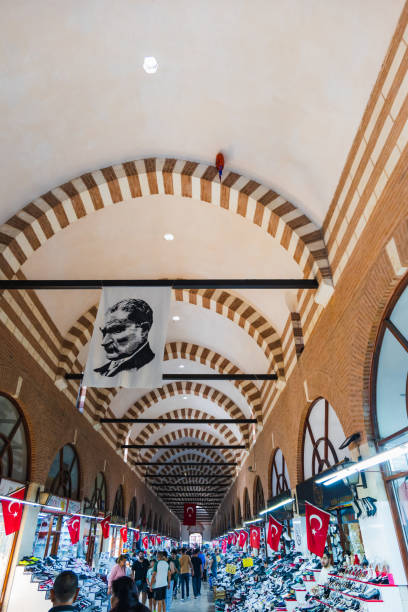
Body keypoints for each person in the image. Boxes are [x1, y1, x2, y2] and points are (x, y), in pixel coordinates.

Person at [95, 298, 155, 377]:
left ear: (143, 331)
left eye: (116, 330)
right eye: (104, 332)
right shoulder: (101, 372)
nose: (104, 342)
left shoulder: (145, 367)